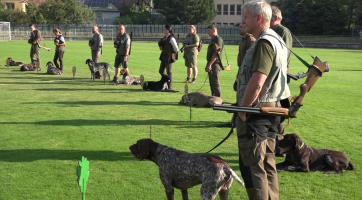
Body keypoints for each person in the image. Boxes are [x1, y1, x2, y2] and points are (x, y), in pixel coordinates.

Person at [236, 1, 290, 199]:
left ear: (258, 18)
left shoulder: (264, 42)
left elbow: (258, 81)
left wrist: (242, 110)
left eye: (246, 17)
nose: (243, 20)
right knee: (267, 165)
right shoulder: (277, 39)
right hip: (271, 110)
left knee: (254, 167)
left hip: (258, 113)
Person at [270, 5, 293, 156]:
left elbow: (282, 55)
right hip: (272, 76)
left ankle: (281, 146)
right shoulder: (272, 31)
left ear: (277, 17)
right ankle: (274, 144)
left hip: (280, 77)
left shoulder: (282, 31)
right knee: (272, 113)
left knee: (279, 113)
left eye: (270, 16)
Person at [235, 23, 255, 91]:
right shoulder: (243, 39)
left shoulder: (250, 39)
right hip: (242, 68)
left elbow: (251, 56)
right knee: (239, 88)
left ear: (246, 28)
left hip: (247, 70)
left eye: (241, 27)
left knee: (245, 89)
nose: (239, 29)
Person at [205, 25, 223, 97]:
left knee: (215, 82)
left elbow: (216, 53)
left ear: (214, 30)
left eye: (209, 30)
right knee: (211, 82)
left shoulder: (218, 40)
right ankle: (213, 97)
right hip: (211, 62)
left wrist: (210, 64)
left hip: (215, 63)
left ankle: (218, 99)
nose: (208, 32)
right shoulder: (213, 39)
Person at [158, 25, 178, 90]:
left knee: (169, 72)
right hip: (164, 56)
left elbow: (176, 48)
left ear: (168, 30)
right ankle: (166, 80)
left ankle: (170, 87)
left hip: (169, 56)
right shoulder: (165, 37)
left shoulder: (171, 38)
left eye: (165, 29)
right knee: (161, 71)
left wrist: (172, 54)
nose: (164, 30)